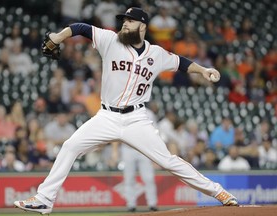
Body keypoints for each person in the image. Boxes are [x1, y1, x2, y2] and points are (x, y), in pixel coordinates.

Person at [14, 7, 238, 215]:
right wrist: (58, 36)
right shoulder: (110, 40)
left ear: (142, 26)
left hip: (136, 119)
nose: (124, 25)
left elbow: (181, 62)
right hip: (106, 116)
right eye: (123, 21)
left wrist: (204, 70)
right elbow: (81, 28)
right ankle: (44, 199)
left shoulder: (156, 54)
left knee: (168, 161)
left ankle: (218, 191)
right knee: (70, 146)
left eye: (129, 21)